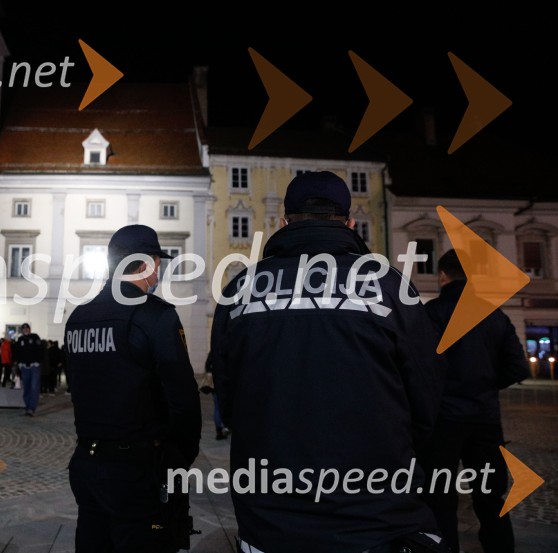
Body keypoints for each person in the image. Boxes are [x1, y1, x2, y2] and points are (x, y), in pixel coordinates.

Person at [210, 171, 449, 553]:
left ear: (285, 221)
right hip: (376, 514)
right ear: (350, 222)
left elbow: (229, 397)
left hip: (271, 514)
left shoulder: (240, 290)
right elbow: (424, 398)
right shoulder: (389, 286)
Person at [64, 224, 202, 553]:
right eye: (158, 263)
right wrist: (180, 458)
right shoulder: (155, 316)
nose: (159, 273)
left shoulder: (78, 317)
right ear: (146, 263)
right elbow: (183, 400)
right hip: (136, 471)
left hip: (87, 463)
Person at [417, 249, 530, 553]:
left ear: (443, 275)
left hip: (443, 420)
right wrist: (486, 383)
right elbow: (519, 367)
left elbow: (416, 366)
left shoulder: (431, 313)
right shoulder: (495, 315)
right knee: (491, 497)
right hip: (485, 420)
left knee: (439, 495)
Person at [13, 323, 44, 416]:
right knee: (26, 388)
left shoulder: (35, 337)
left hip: (34, 366)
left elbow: (40, 350)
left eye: (27, 328)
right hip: (24, 367)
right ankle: (27, 406)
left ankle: (31, 408)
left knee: (34, 387)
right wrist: (18, 363)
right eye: (24, 329)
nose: (25, 330)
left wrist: (38, 361)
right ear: (22, 330)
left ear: (30, 329)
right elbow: (17, 352)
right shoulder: (20, 340)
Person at [202, 352, 228, 440]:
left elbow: (207, 366)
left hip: (215, 385)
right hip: (225, 385)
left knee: (217, 408)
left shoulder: (212, 354)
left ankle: (219, 431)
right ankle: (226, 427)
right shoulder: (227, 353)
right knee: (227, 406)